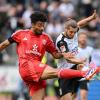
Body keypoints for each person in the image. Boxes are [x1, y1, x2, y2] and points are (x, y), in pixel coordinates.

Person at [0, 11, 98, 100]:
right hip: (26, 65)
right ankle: (85, 73)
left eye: (43, 25)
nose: (42, 27)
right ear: (32, 24)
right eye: (39, 25)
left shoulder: (46, 38)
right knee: (57, 72)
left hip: (37, 70)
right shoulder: (20, 34)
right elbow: (4, 44)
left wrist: (63, 54)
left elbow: (55, 55)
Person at [56, 10, 98, 100]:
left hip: (76, 67)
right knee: (67, 98)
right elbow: (68, 59)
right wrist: (81, 60)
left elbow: (82, 23)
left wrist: (91, 18)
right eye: (71, 32)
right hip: (65, 71)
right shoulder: (61, 42)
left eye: (75, 32)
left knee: (81, 94)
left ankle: (93, 74)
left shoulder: (74, 31)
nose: (73, 34)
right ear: (66, 29)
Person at [73, 31, 94, 100]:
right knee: (73, 96)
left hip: (85, 75)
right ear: (78, 39)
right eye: (81, 37)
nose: (83, 39)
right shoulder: (74, 50)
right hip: (74, 74)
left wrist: (91, 73)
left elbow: (92, 63)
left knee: (84, 96)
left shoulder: (90, 50)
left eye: (85, 37)